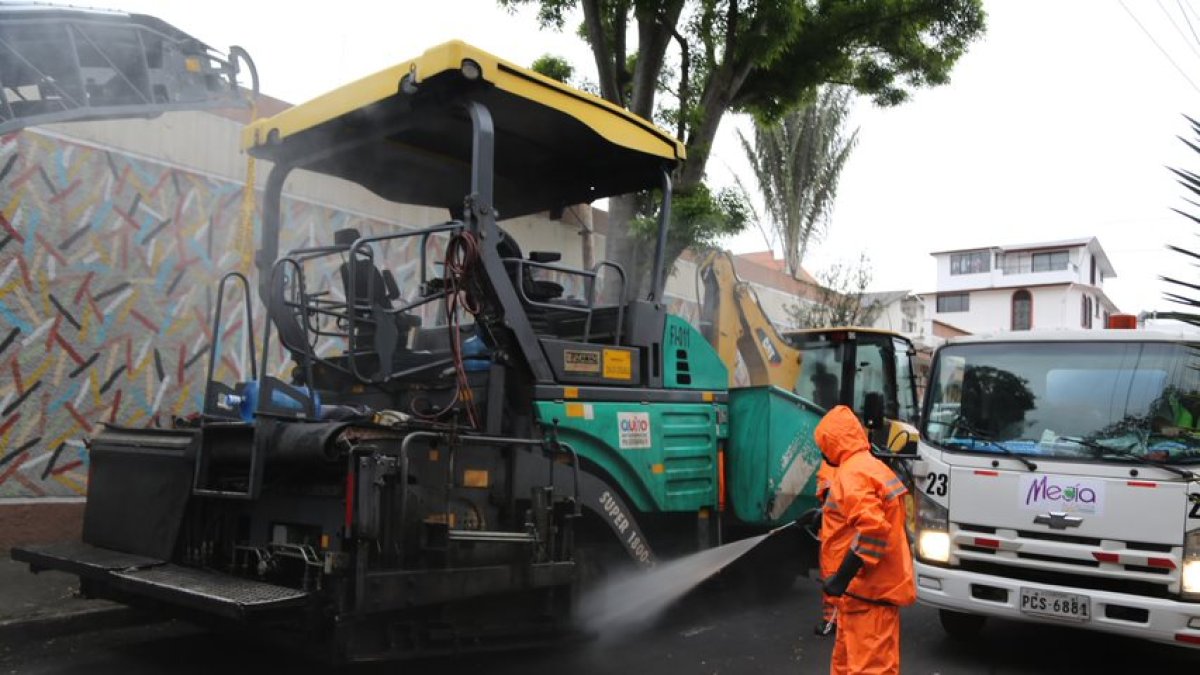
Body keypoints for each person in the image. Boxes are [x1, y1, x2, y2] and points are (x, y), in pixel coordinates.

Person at [816, 405, 915, 675]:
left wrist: (841, 578)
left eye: (823, 445)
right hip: (861, 598)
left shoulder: (852, 473)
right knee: (846, 667)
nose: (822, 453)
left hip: (868, 595)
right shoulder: (870, 467)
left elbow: (873, 530)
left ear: (832, 443)